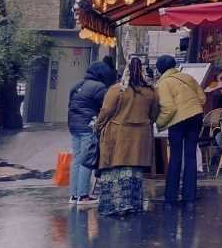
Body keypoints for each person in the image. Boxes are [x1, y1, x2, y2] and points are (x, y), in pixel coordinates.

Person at [94, 58, 159, 217]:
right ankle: (133, 204)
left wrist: (98, 127)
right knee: (134, 172)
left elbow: (106, 111)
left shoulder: (117, 90)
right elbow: (154, 114)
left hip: (118, 135)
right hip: (141, 137)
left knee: (115, 170)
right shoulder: (151, 92)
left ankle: (114, 206)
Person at [155, 54, 206, 204]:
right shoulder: (188, 78)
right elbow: (202, 99)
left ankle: (171, 195)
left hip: (178, 121)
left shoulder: (164, 83)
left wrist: (159, 123)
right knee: (190, 156)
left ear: (160, 69)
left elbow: (169, 108)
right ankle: (189, 194)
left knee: (176, 156)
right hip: (196, 117)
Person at [67, 60, 116, 207]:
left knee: (76, 160)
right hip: (88, 126)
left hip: (74, 126)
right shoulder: (99, 87)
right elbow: (107, 108)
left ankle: (74, 195)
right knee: (87, 160)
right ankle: (83, 196)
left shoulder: (77, 86)